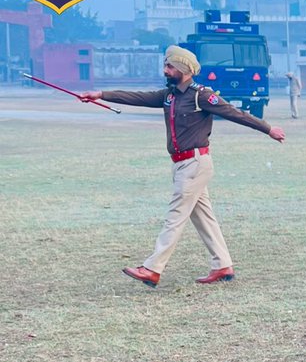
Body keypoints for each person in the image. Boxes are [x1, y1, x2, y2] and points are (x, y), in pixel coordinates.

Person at [80, 46, 286, 287]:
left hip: (195, 164)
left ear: (184, 70)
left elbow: (234, 113)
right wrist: (101, 94)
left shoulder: (201, 95)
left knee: (175, 216)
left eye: (170, 66)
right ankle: (223, 266)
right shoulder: (170, 95)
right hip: (182, 165)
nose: (165, 70)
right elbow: (137, 97)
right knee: (204, 218)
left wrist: (268, 129)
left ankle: (152, 268)